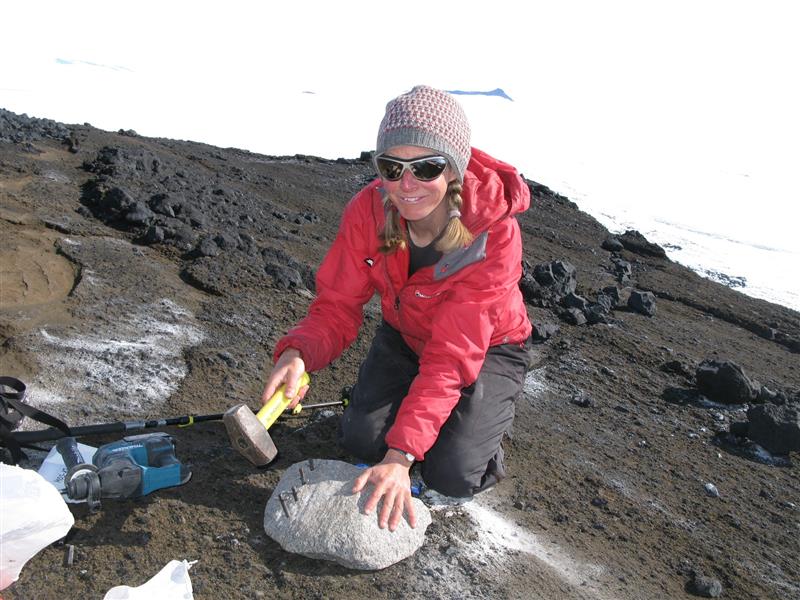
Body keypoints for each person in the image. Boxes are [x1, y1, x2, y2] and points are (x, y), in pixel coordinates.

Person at [261, 85, 533, 532]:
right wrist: (298, 354)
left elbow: (450, 357)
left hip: (487, 349)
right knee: (361, 440)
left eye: (426, 168)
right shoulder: (368, 212)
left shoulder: (491, 236)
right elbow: (337, 305)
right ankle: (416, 414)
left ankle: (485, 422)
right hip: (405, 334)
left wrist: (401, 456)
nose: (406, 186)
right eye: (392, 167)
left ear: (455, 170)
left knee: (453, 473)